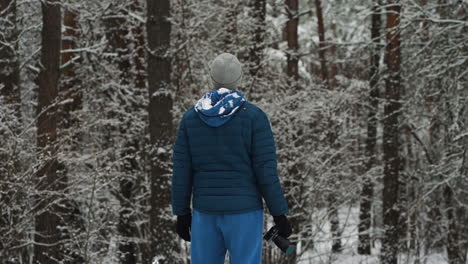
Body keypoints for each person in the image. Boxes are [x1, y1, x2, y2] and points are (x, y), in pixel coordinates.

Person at [171, 52, 292, 264]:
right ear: (240, 79)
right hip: (245, 214)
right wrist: (279, 213)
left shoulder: (191, 119)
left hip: (205, 214)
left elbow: (182, 171)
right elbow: (266, 170)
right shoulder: (255, 117)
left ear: (211, 79)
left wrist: (181, 213)